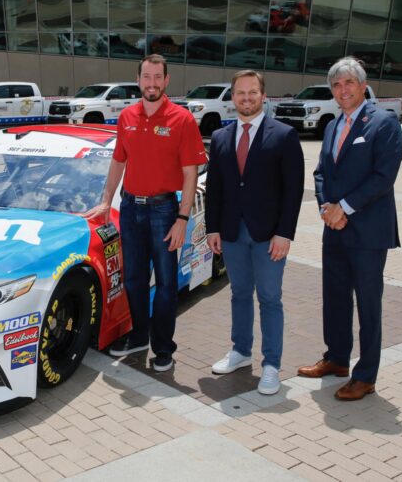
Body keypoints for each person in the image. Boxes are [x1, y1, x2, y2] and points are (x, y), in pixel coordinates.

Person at [84, 54, 207, 372]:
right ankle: (139, 335)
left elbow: (191, 173)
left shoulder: (182, 119)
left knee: (166, 283)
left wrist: (182, 218)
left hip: (164, 211)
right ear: (138, 80)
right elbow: (118, 162)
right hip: (129, 210)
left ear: (166, 81)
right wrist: (105, 198)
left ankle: (164, 348)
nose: (151, 83)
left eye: (157, 77)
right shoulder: (126, 117)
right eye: (146, 77)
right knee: (134, 279)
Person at [298, 57, 402, 401]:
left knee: (368, 304)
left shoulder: (383, 123)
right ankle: (337, 358)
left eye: (348, 83)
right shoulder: (331, 126)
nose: (342, 90)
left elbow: (383, 176)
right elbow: (320, 174)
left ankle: (366, 375)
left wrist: (344, 208)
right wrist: (328, 208)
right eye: (336, 85)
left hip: (369, 233)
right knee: (335, 297)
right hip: (335, 229)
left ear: (363, 84)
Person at [205, 70, 304, 395]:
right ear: (232, 98)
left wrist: (284, 234)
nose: (246, 98)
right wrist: (213, 228)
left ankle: (272, 364)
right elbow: (215, 188)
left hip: (268, 236)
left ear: (264, 96)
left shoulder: (284, 135)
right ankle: (241, 351)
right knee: (239, 294)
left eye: (252, 92)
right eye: (240, 93)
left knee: (270, 298)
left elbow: (293, 191)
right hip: (232, 232)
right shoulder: (221, 137)